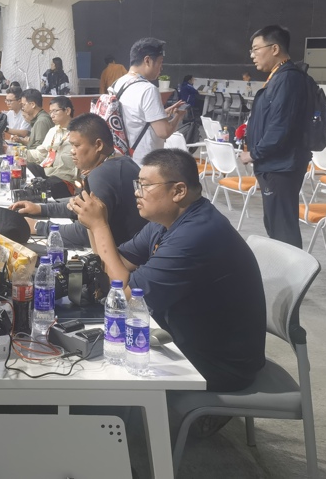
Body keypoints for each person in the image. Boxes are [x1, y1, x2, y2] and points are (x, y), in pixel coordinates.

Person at [71, 148, 266, 393]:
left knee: (96, 372)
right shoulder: (165, 222)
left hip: (218, 365)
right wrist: (91, 223)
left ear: (178, 191)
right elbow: (114, 263)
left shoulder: (196, 234)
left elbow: (123, 295)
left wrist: (100, 225)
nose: (136, 192)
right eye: (137, 184)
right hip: (182, 339)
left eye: (145, 185)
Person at [12, 113, 146, 249]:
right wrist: (40, 208)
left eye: (76, 145)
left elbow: (86, 233)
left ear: (98, 145)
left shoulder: (102, 175)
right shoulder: (123, 161)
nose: (72, 151)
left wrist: (38, 226)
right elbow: (79, 206)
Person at [240, 25, 312, 248]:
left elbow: (280, 127)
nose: (252, 55)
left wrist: (254, 153)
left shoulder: (288, 79)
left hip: (281, 166)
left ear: (274, 49)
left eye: (256, 49)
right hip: (274, 164)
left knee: (283, 231)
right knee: (276, 226)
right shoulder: (279, 77)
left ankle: (294, 271)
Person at [109, 38, 185, 165]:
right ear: (147, 60)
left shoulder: (118, 83)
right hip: (144, 163)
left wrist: (162, 113)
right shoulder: (148, 89)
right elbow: (164, 132)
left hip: (123, 160)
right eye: (160, 62)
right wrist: (178, 116)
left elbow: (133, 117)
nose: (161, 68)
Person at [23, 96, 76, 182]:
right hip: (48, 173)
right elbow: (41, 153)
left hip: (65, 178)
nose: (51, 115)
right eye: (50, 112)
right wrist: (20, 152)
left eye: (55, 111)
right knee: (29, 166)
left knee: (50, 183)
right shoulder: (53, 131)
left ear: (67, 111)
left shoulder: (77, 132)